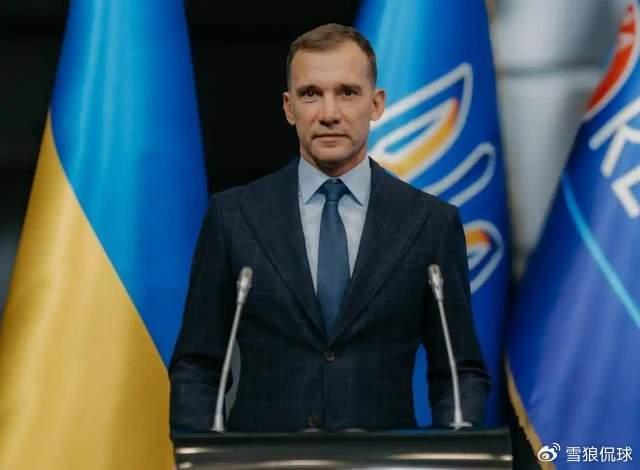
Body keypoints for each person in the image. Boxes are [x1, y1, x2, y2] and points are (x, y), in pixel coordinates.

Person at [169, 23, 490, 432]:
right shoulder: (233, 216)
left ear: (376, 104)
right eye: (311, 94)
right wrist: (202, 453)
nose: (329, 113)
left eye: (347, 92)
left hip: (384, 459)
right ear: (289, 108)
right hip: (263, 458)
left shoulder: (430, 223)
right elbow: (198, 366)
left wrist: (450, 451)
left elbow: (460, 374)